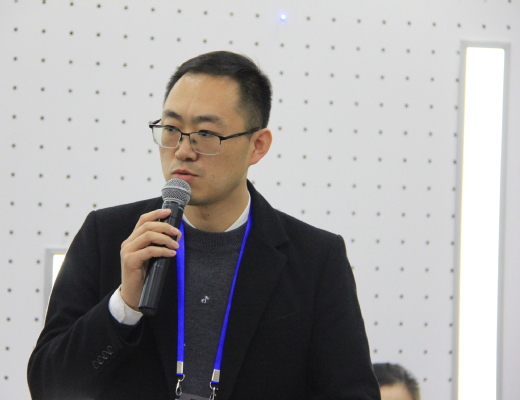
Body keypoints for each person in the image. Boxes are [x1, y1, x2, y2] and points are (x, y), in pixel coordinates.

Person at [27, 51, 380, 400]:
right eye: (171, 129)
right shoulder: (107, 236)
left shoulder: (316, 259)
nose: (183, 150)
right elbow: (48, 387)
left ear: (257, 146)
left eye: (206, 134)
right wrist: (124, 304)